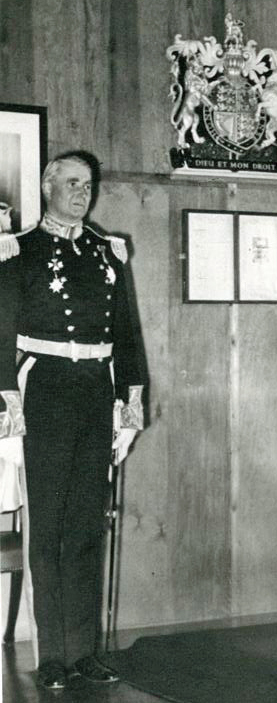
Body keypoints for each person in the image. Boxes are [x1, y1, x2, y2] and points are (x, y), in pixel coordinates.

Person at [0, 152, 145, 689]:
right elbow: (1, 336)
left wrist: (129, 406)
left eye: (88, 185)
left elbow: (127, 335)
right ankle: (53, 656)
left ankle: (84, 651)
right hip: (46, 392)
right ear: (48, 187)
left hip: (95, 392)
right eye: (72, 183)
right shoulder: (19, 250)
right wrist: (7, 412)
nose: (83, 193)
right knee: (48, 530)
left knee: (87, 526)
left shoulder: (108, 252)